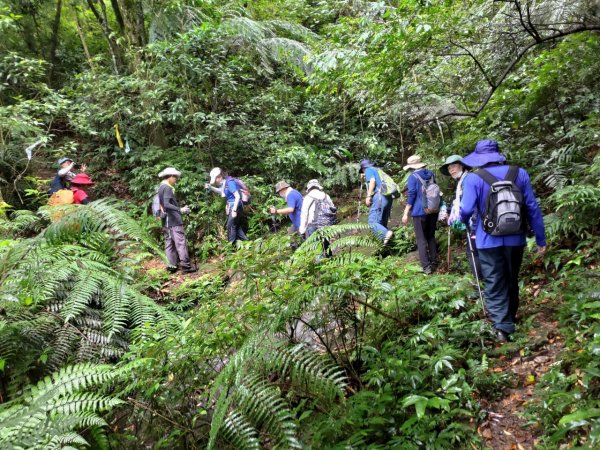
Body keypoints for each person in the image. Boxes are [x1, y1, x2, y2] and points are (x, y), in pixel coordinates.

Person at [459, 140, 546, 342]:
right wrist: (541, 238)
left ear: (479, 159)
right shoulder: (519, 173)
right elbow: (532, 207)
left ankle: (503, 327)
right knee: (511, 277)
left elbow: (465, 210)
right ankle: (510, 317)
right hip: (516, 237)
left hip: (487, 239)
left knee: (494, 280)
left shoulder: (473, 178)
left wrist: (465, 222)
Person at [439, 155, 482, 279]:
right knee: (475, 252)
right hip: (476, 222)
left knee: (473, 253)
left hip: (476, 223)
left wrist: (465, 220)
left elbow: (470, 206)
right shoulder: (463, 181)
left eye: (453, 166)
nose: (451, 170)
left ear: (462, 166)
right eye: (449, 168)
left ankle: (481, 284)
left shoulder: (468, 180)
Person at [402, 155, 438, 274]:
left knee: (421, 239)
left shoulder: (413, 177)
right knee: (431, 236)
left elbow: (412, 194)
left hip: (419, 211)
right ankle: (434, 261)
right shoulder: (431, 173)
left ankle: (426, 267)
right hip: (433, 209)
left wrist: (406, 212)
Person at [157, 167, 196, 274]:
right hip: (173, 220)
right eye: (175, 177)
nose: (176, 180)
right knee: (180, 243)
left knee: (169, 244)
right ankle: (186, 266)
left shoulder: (161, 187)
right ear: (170, 177)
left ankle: (172, 266)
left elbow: (161, 204)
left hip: (166, 221)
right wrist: (181, 209)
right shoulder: (167, 188)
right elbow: (166, 204)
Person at [206, 167, 248, 246]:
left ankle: (231, 248)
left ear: (219, 177)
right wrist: (210, 188)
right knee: (236, 226)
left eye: (216, 180)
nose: (215, 182)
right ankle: (247, 242)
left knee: (230, 226)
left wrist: (234, 210)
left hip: (237, 206)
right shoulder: (225, 184)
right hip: (233, 206)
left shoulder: (230, 183)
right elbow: (221, 191)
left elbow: (237, 196)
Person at [359, 160, 393, 244]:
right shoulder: (378, 170)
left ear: (363, 168)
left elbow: (373, 181)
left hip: (379, 197)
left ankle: (386, 233)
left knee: (372, 222)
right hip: (388, 197)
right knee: (381, 223)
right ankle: (387, 244)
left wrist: (368, 196)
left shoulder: (368, 170)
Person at [299, 179, 336, 257]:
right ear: (318, 186)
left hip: (313, 226)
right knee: (326, 245)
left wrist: (302, 230)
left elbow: (304, 215)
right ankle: (331, 262)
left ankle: (321, 266)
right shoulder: (326, 196)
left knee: (317, 249)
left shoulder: (307, 197)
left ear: (309, 188)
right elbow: (332, 209)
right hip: (326, 225)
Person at [270, 181, 303, 248]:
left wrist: (276, 211)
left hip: (300, 222)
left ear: (283, 189)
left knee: (303, 239)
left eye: (279, 192)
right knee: (291, 236)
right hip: (298, 222)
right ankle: (295, 252)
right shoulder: (294, 192)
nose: (279, 194)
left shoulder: (291, 195)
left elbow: (290, 209)